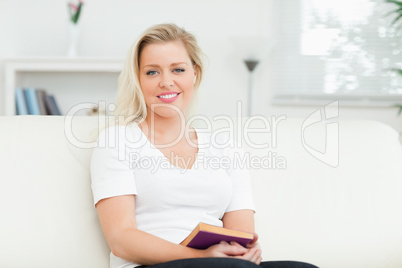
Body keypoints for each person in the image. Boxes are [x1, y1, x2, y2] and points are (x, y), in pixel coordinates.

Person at [90, 23, 318, 268]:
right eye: (152, 72)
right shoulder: (116, 141)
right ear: (137, 78)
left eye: (178, 69)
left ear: (194, 74)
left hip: (221, 265)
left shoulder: (226, 147)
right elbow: (121, 240)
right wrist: (201, 257)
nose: (166, 82)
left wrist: (243, 253)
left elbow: (240, 235)